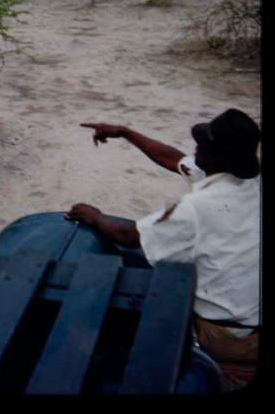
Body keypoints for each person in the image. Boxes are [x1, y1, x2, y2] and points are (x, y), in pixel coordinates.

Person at [66, 109, 261, 390]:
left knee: (138, 277)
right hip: (248, 320)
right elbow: (175, 159)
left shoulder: (197, 207)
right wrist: (125, 132)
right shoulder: (248, 185)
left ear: (216, 156)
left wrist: (94, 216)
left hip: (220, 333)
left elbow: (129, 236)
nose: (195, 149)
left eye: (201, 146)